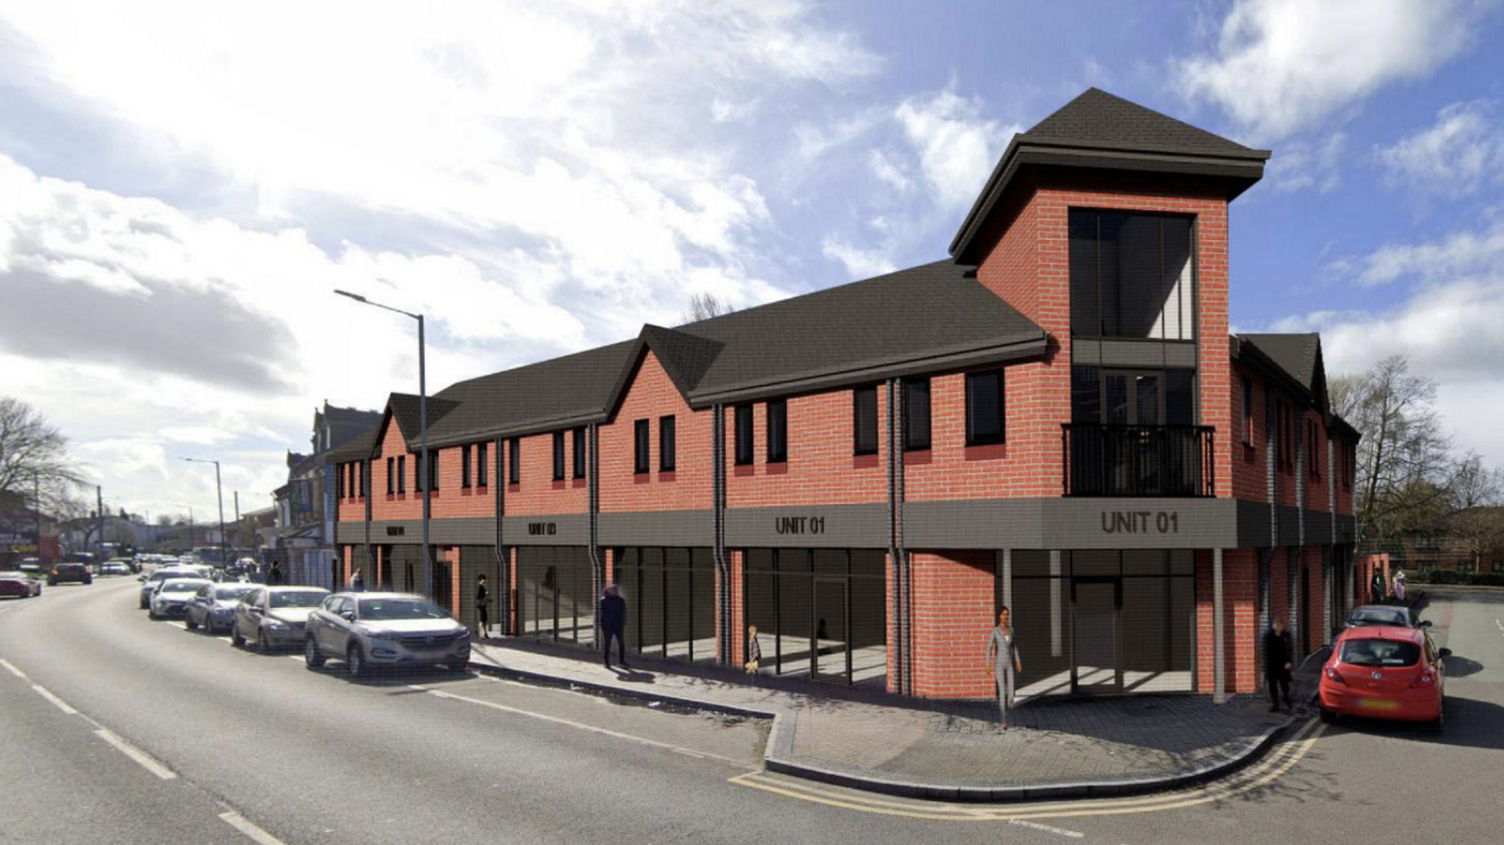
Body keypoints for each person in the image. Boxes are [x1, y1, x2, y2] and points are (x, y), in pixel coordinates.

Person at [982, 606, 1022, 729]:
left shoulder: (1012, 630)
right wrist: (987, 664)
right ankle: (1003, 720)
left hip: (1009, 663)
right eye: (1003, 614)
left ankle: (1008, 715)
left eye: (1007, 614)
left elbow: (1014, 647)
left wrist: (1018, 661)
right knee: (1003, 692)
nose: (1005, 616)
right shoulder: (995, 631)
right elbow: (989, 648)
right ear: (999, 616)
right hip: (999, 664)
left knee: (1011, 693)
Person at [1263, 615, 1295, 712]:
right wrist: (1266, 666)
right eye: (1276, 625)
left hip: (1283, 663)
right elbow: (1266, 651)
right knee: (1272, 685)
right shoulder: (1269, 636)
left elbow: (1290, 649)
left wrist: (1289, 661)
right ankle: (1275, 704)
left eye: (1280, 625)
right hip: (1272, 664)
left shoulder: (1286, 636)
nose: (1278, 627)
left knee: (1284, 684)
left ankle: (1286, 699)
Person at [600, 584, 628, 670]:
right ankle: (609, 661)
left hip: (612, 624)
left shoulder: (605, 600)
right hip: (612, 624)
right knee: (610, 643)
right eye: (614, 590)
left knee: (616, 642)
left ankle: (615, 661)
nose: (616, 591)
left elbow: (623, 612)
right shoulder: (619, 600)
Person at [475, 573, 490, 640]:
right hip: (481, 605)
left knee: (484, 620)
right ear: (481, 580)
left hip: (483, 605)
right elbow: (478, 596)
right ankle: (481, 635)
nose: (485, 581)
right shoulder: (480, 587)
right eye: (484, 579)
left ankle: (485, 634)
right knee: (481, 621)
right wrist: (485, 594)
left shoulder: (482, 587)